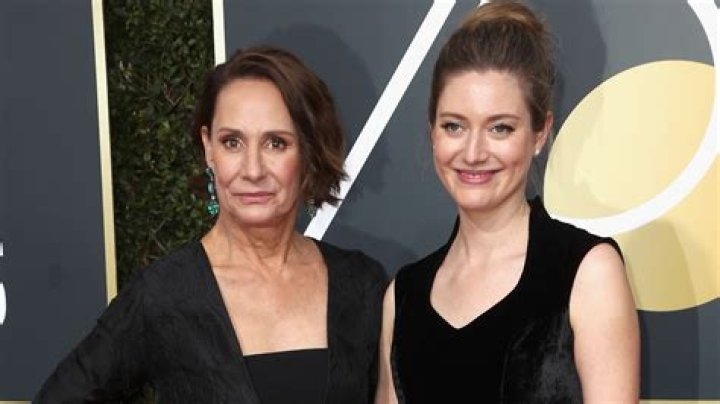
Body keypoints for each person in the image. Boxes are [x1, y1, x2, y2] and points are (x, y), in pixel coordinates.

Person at [36, 46, 387, 403]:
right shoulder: (164, 294)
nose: (252, 170)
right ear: (208, 148)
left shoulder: (361, 285)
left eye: (276, 143)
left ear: (309, 150)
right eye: (232, 142)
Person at [375, 2, 640, 403]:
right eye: (454, 126)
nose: (473, 152)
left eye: (500, 128)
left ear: (540, 134)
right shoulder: (403, 297)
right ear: (432, 131)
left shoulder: (587, 272)